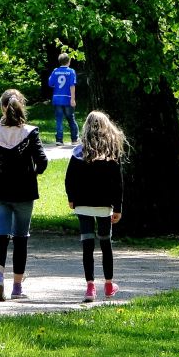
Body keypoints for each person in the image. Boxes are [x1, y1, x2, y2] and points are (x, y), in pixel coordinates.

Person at [0, 89, 48, 301]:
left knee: (0, 235)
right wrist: (32, 173)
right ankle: (17, 287)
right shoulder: (30, 132)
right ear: (22, 107)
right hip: (24, 191)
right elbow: (43, 161)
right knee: (21, 238)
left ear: (2, 107)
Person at [65, 110, 125, 302]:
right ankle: (108, 284)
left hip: (82, 204)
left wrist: (71, 198)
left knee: (87, 245)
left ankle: (90, 286)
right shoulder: (111, 154)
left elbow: (69, 179)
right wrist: (118, 207)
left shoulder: (78, 153)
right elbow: (118, 183)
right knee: (105, 244)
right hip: (103, 205)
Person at [47, 53, 78, 146]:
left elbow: (50, 83)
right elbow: (72, 85)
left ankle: (59, 140)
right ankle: (74, 139)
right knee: (71, 118)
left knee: (59, 119)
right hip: (67, 98)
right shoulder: (71, 71)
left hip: (57, 98)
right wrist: (73, 99)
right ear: (69, 61)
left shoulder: (55, 71)